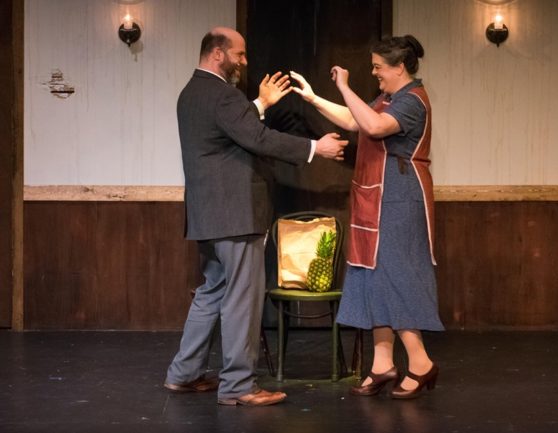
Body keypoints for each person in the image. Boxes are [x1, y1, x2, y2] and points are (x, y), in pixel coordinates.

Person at [164, 26, 348, 407]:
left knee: (211, 293)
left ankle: (182, 374)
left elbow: (232, 128)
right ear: (218, 54)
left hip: (210, 215)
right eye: (240, 54)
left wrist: (261, 104)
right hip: (236, 214)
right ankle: (238, 385)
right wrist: (316, 147)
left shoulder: (193, 93)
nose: (244, 62)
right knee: (241, 298)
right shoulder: (223, 95)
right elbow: (257, 138)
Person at [291, 34, 444, 399]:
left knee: (396, 273)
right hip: (375, 193)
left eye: (378, 67)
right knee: (371, 273)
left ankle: (421, 363)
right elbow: (355, 119)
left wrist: (345, 86)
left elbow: (374, 127)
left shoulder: (412, 101)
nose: (374, 73)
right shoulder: (387, 98)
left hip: (400, 195)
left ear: (399, 67)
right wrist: (314, 97)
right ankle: (382, 363)